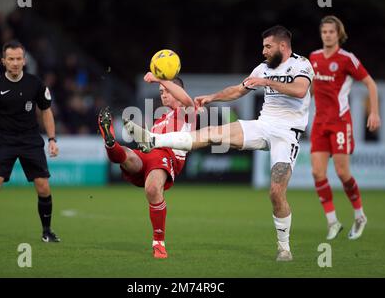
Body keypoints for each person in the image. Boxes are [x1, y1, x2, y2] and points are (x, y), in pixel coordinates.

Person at [125, 26, 314, 261]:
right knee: (212, 133)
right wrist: (211, 97)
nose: (263, 51)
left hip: (288, 133)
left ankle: (284, 248)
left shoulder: (301, 65)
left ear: (283, 46)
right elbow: (237, 91)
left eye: (268, 46)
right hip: (263, 124)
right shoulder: (261, 68)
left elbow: (300, 90)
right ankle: (154, 140)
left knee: (276, 193)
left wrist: (267, 82)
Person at [98, 72, 196, 259]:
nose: (163, 94)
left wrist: (160, 78)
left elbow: (188, 101)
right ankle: (110, 143)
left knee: (152, 189)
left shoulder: (187, 112)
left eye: (167, 90)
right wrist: (138, 131)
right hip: (149, 154)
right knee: (125, 155)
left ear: (179, 91)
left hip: (168, 155)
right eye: (160, 91)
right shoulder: (160, 120)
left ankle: (158, 243)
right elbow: (147, 144)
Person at [0, 40, 60, 243]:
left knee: (43, 187)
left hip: (31, 140)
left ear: (24, 60)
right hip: (6, 140)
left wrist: (52, 139)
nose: (15, 63)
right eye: (11, 59)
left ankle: (47, 231)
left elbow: (46, 112)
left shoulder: (35, 84)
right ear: (3, 61)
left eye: (19, 59)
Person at [309, 16, 380, 240]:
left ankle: (359, 215)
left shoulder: (346, 59)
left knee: (342, 172)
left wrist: (374, 112)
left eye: (331, 31)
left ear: (339, 34)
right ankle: (333, 221)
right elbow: (310, 89)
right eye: (324, 32)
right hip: (319, 123)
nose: (327, 35)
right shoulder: (313, 57)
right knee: (317, 172)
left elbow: (370, 83)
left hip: (340, 122)